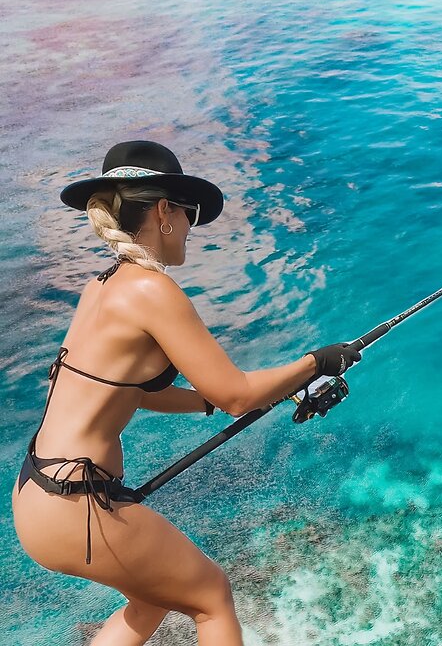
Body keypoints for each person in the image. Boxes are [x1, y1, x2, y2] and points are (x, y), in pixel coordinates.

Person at [10, 141, 360, 645]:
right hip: (75, 504)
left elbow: (132, 392)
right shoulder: (153, 291)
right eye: (191, 213)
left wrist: (208, 401)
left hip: (38, 495)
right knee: (212, 597)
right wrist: (317, 362)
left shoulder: (102, 288)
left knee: (152, 598)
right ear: (165, 211)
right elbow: (238, 394)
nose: (193, 228)